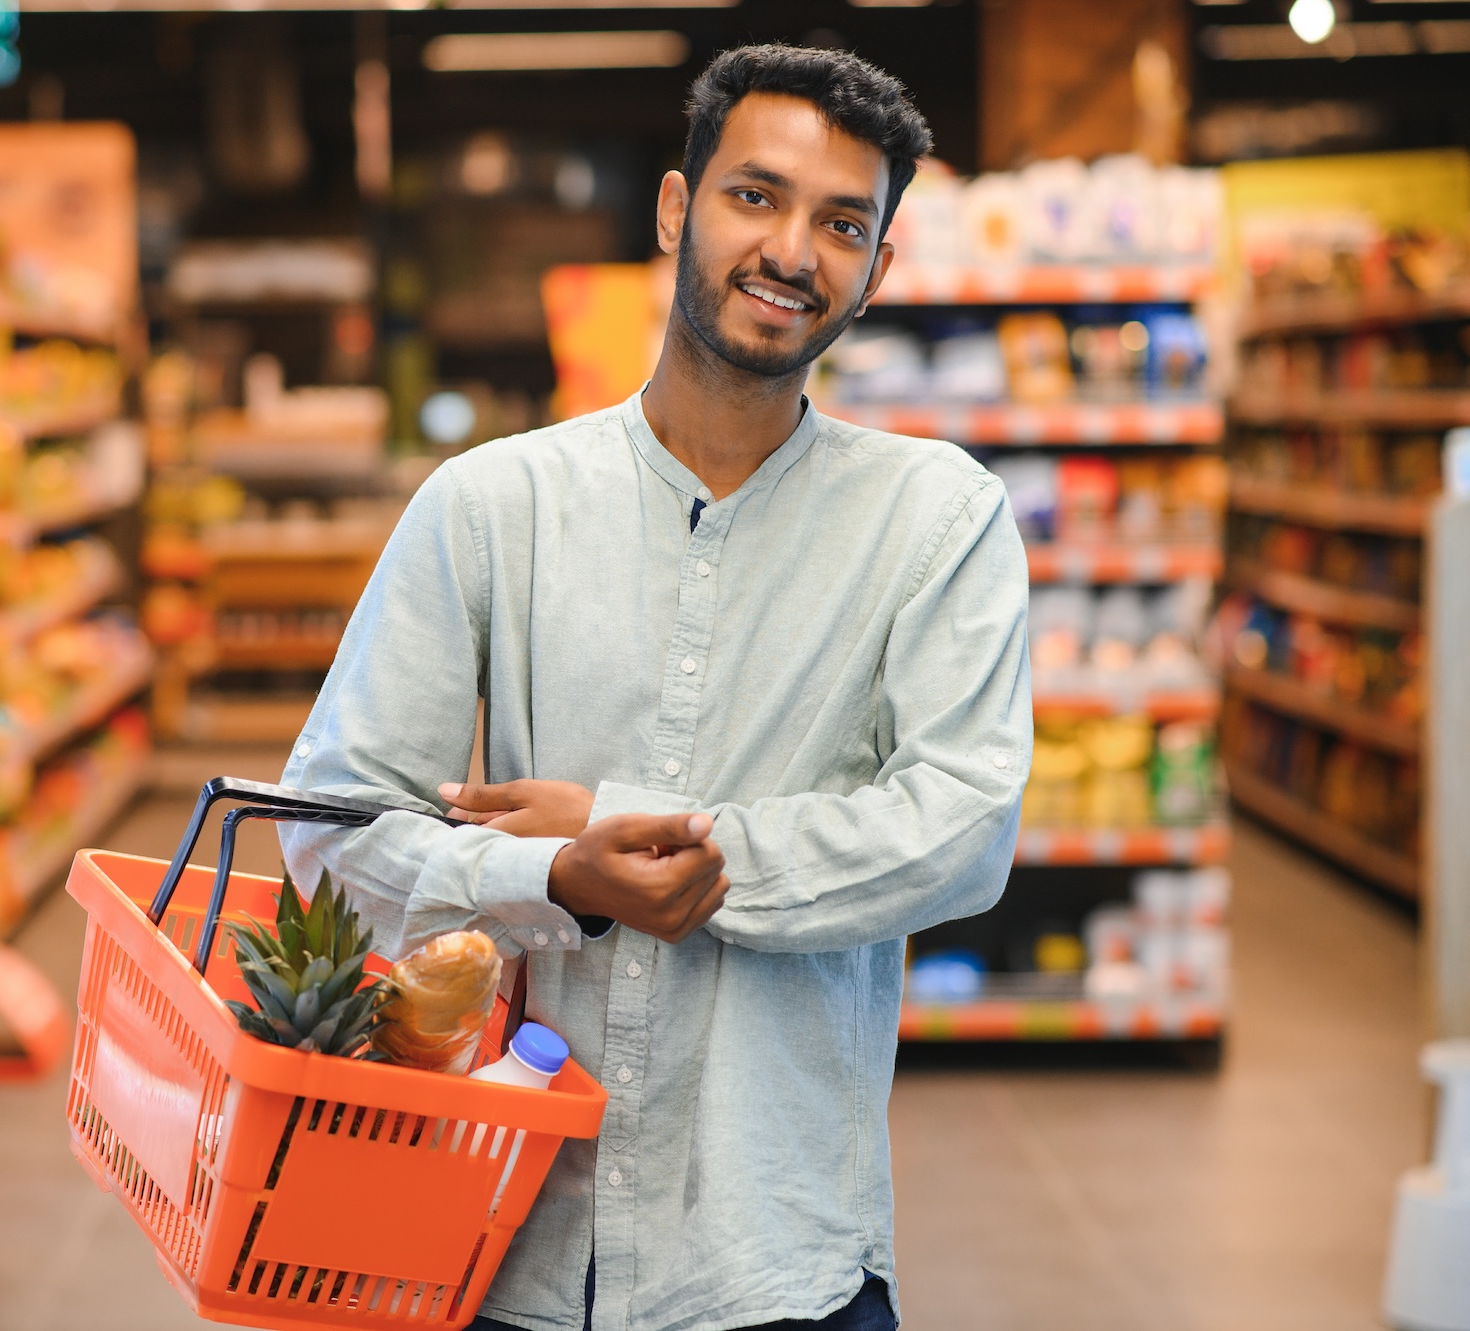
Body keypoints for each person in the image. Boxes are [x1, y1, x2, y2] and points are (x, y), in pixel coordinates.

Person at [279, 43, 1030, 1331]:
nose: (793, 250)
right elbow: (328, 827)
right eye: (756, 196)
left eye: (842, 222)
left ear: (879, 269)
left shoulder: (937, 519)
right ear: (678, 211)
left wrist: (660, 838)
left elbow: (962, 832)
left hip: (777, 1253)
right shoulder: (491, 506)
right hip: (497, 1237)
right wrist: (553, 876)